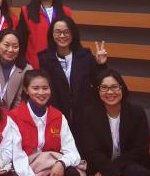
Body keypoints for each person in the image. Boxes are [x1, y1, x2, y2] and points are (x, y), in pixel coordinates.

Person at [8, 70, 83, 176]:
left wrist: (61, 163)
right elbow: (16, 157)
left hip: (50, 170)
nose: (41, 93)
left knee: (72, 174)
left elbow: (73, 153)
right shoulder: (14, 117)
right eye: (35, 88)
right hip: (25, 172)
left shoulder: (58, 116)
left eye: (45, 88)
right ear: (26, 90)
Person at [39, 15, 108, 143]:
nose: (62, 36)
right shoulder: (44, 58)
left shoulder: (85, 55)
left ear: (73, 34)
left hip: (83, 114)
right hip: (56, 114)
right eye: (58, 32)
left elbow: (98, 82)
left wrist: (101, 65)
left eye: (66, 32)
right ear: (52, 35)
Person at [17, 0, 72, 69]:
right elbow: (21, 40)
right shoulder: (26, 12)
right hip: (35, 64)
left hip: (61, 64)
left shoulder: (66, 12)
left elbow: (71, 39)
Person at [0, 29, 29, 110]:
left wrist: (12, 116)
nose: (10, 50)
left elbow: (22, 100)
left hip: (16, 114)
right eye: (6, 45)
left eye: (15, 46)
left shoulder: (26, 69)